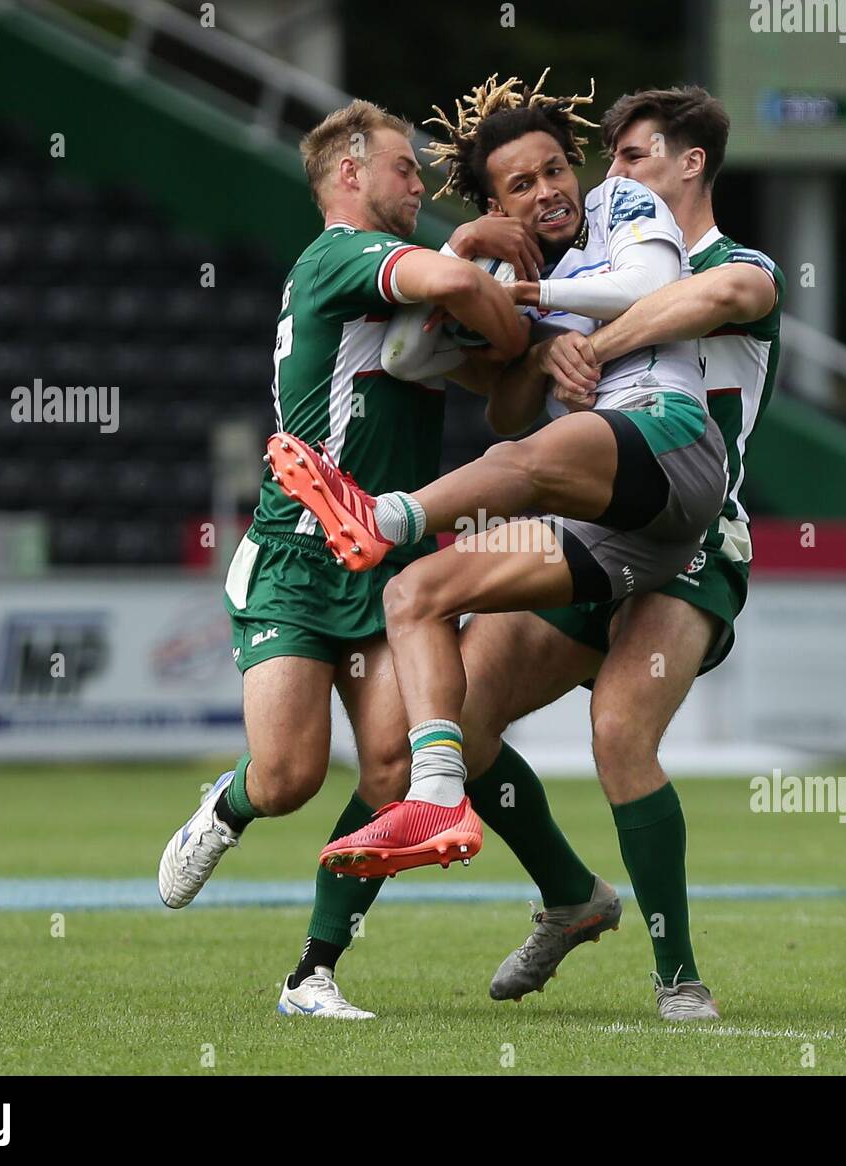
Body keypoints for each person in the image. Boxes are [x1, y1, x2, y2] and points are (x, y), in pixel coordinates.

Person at [267, 73, 728, 888]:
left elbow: (655, 288)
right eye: (522, 185)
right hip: (605, 518)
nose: (550, 191)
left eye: (555, 169)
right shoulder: (516, 275)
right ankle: (443, 798)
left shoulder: (621, 204)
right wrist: (487, 280)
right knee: (418, 598)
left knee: (517, 472)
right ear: (498, 208)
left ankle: (384, 519)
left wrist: (525, 295)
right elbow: (426, 366)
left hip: (675, 456)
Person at [154, 98, 532, 1020]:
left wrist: (520, 338)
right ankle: (227, 808)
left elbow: (497, 378)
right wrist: (483, 243)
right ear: (351, 175)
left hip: (389, 557)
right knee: (285, 776)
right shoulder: (340, 256)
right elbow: (469, 299)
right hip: (299, 550)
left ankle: (311, 973)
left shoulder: (398, 285)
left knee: (391, 771)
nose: (420, 184)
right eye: (406, 168)